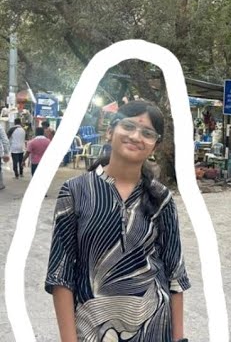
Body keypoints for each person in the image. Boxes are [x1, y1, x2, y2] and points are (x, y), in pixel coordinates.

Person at [46, 101, 190, 342]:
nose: (136, 136)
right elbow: (61, 275)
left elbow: (175, 274)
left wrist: (179, 339)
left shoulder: (161, 198)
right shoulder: (75, 192)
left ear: (154, 144)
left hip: (154, 330)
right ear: (111, 131)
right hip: (92, 331)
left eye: (147, 133)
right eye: (128, 126)